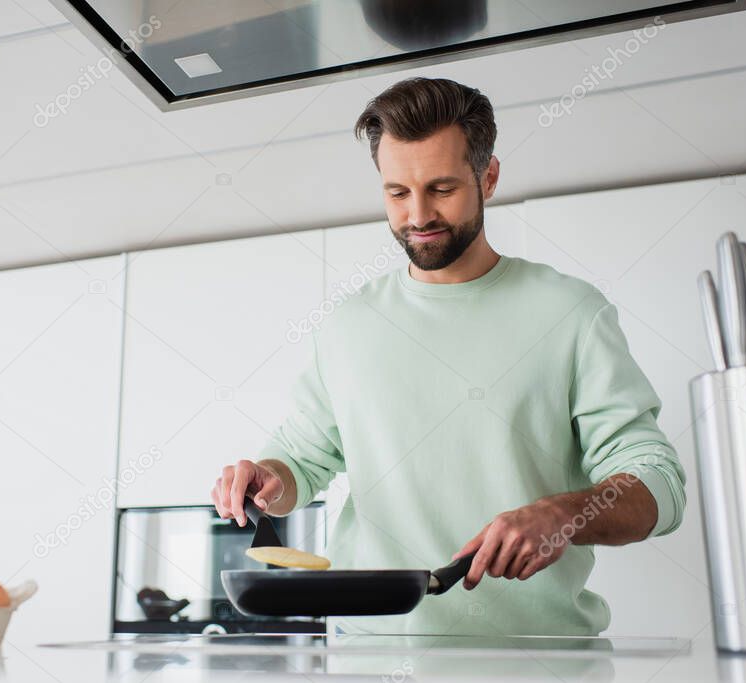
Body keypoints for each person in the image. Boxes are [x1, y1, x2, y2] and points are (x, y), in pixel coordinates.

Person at [211, 77, 686, 636]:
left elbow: (659, 485)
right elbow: (302, 460)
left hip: (540, 667)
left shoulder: (572, 313)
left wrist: (564, 514)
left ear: (488, 177)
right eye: (397, 193)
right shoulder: (348, 324)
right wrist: (266, 477)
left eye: (441, 188)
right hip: (368, 662)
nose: (417, 216)